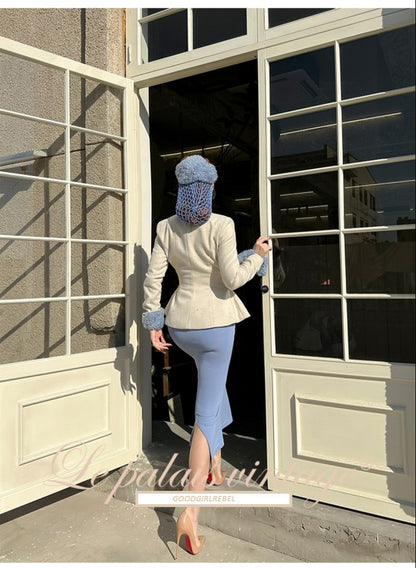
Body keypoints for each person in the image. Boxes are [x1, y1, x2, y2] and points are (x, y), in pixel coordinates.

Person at [142, 154, 271, 558]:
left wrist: (153, 323)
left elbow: (154, 277)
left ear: (181, 190)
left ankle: (216, 464)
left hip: (180, 325)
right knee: (205, 414)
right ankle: (190, 511)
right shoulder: (222, 224)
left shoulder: (165, 226)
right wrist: (257, 256)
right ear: (211, 189)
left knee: (213, 391)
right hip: (216, 326)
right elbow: (232, 278)